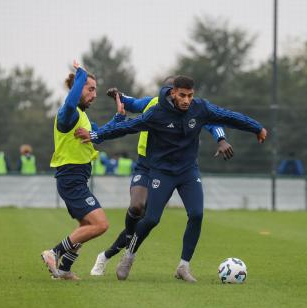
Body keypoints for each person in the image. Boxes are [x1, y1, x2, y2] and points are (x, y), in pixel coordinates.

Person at [77, 75, 266, 282]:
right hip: (161, 171)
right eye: (182, 95)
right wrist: (96, 135)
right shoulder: (156, 112)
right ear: (173, 92)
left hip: (188, 172)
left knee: (196, 214)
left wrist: (256, 127)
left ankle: (183, 267)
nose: (186, 100)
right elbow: (127, 127)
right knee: (150, 219)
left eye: (190, 96)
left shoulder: (200, 108)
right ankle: (129, 255)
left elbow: (227, 116)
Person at [40, 60, 125, 280]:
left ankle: (65, 269)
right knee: (101, 224)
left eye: (95, 89)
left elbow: (102, 134)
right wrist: (81, 75)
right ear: (77, 89)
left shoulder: (83, 117)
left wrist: (119, 118)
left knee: (86, 226)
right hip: (71, 177)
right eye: (90, 89)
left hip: (76, 178)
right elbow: (69, 104)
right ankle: (54, 252)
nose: (94, 94)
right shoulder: (68, 113)